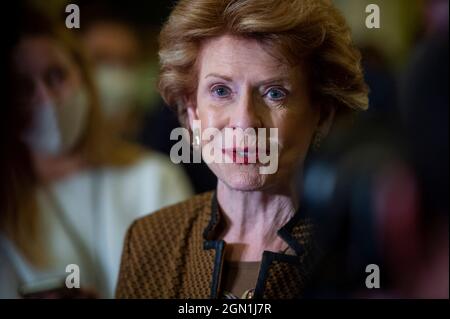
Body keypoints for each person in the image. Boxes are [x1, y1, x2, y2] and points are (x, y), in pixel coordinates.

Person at [116, 0, 368, 299]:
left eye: (274, 93)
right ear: (193, 109)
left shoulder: (356, 252)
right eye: (221, 91)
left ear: (322, 115)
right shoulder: (149, 240)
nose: (245, 122)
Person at [0, 8, 192, 298]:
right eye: (24, 87)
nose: (47, 99)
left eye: (56, 76)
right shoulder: (7, 204)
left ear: (83, 77)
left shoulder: (153, 178)